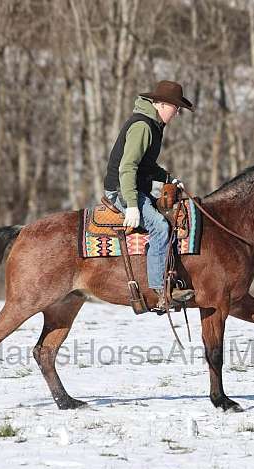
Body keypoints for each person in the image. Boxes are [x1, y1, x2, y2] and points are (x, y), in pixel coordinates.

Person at [103, 80, 195, 310]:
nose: (177, 113)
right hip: (123, 190)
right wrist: (132, 205)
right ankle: (160, 291)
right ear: (162, 105)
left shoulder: (153, 126)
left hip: (135, 187)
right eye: (176, 108)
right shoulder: (143, 127)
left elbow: (147, 165)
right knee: (160, 227)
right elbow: (127, 168)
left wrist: (169, 179)